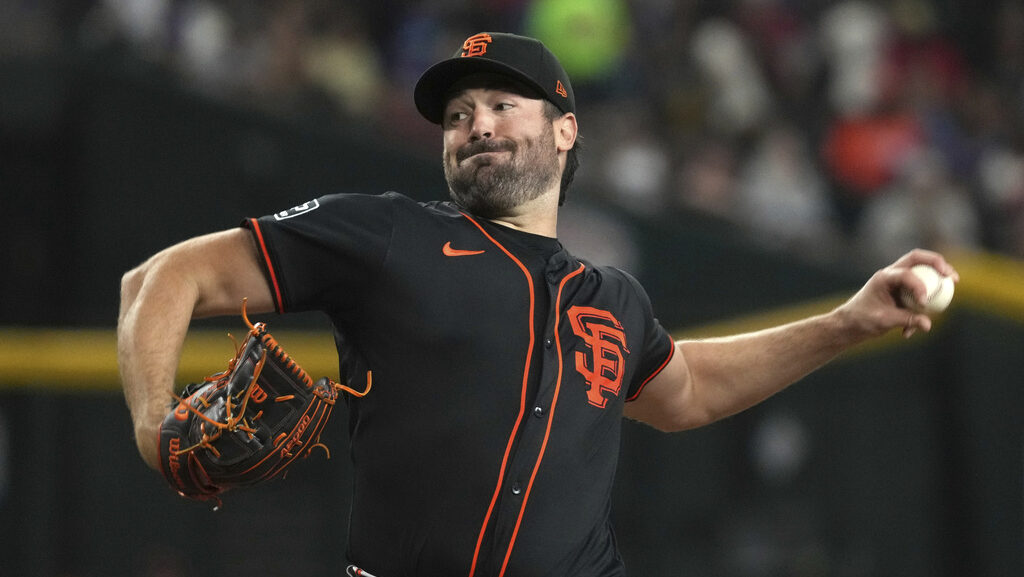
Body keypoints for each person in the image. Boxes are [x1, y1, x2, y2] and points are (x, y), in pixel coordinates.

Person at [117, 32, 958, 577]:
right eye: (457, 113)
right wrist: (156, 425)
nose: (475, 123)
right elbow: (160, 279)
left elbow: (688, 391)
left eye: (500, 104)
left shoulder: (612, 299)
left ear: (564, 131)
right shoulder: (386, 234)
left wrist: (847, 321)